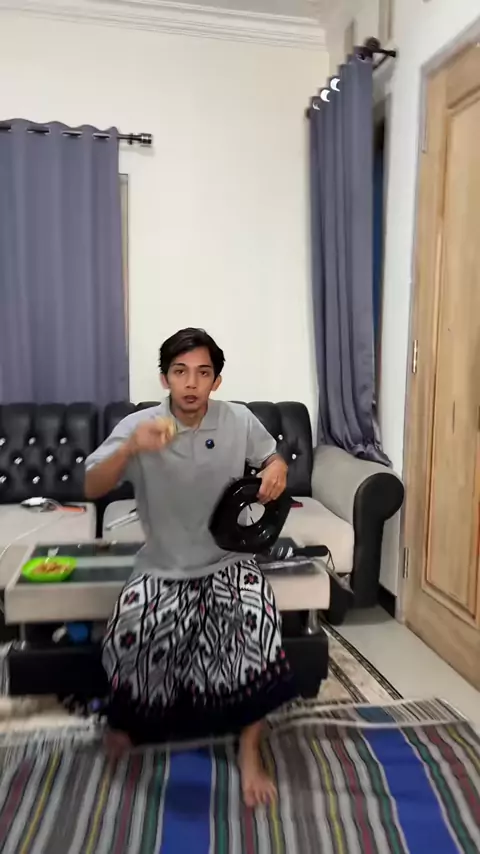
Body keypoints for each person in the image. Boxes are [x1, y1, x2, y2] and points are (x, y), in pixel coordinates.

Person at [84, 327, 297, 806]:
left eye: (203, 373)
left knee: (257, 616)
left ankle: (249, 750)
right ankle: (128, 723)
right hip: (163, 566)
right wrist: (130, 448)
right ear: (165, 378)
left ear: (216, 381)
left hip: (227, 562)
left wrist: (276, 468)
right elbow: (91, 484)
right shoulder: (141, 425)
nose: (191, 383)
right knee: (132, 627)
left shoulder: (238, 419)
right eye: (180, 372)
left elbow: (273, 458)